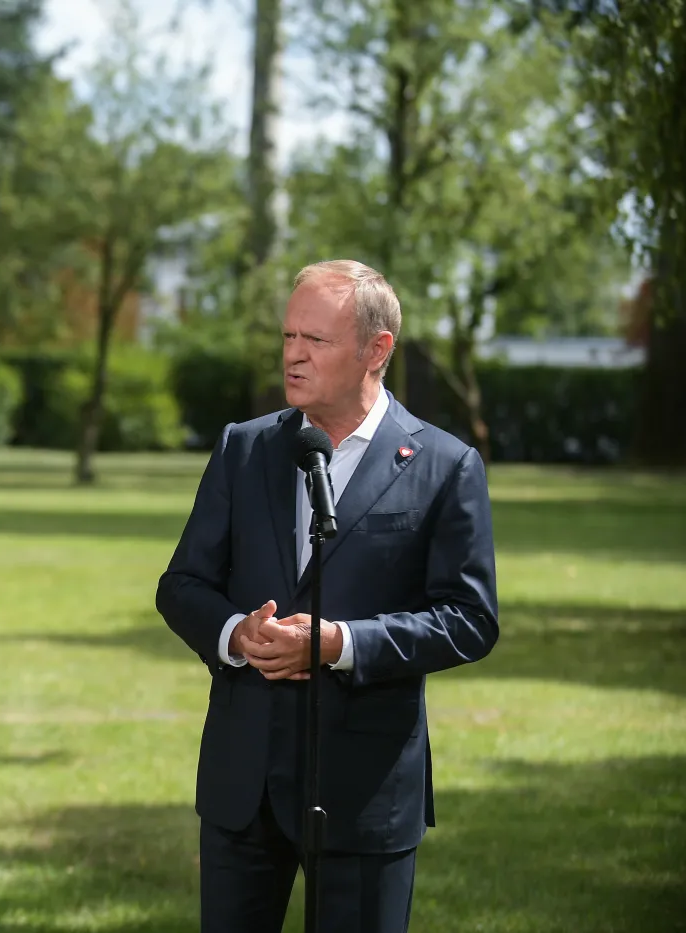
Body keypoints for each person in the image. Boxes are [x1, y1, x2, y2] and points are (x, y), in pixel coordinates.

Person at [155, 260, 498, 933]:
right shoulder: (243, 448)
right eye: (287, 337)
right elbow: (182, 584)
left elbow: (469, 618)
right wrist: (234, 633)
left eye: (315, 340)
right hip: (241, 783)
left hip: (364, 791)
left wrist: (342, 643)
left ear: (377, 350)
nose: (292, 355)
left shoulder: (444, 465)